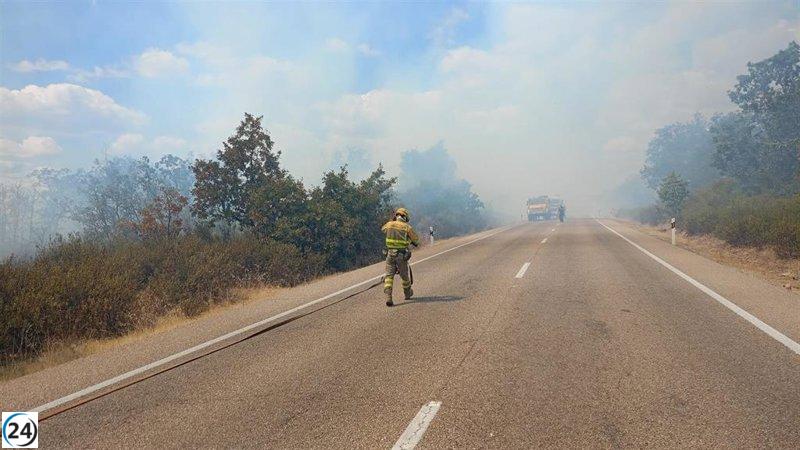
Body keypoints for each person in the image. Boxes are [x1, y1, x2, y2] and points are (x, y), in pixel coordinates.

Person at [381, 207, 420, 306]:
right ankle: (407, 293)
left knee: (389, 277)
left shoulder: (389, 224)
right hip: (401, 255)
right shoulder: (406, 227)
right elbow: (416, 240)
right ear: (405, 217)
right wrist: (410, 241)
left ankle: (388, 297)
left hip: (390, 254)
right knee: (404, 276)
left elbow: (383, 229)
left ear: (396, 215)